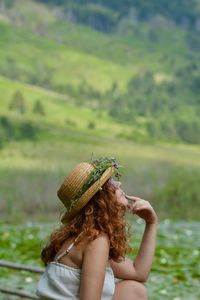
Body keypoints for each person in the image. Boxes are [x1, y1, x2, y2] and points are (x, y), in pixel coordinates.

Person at [36, 157, 157, 300]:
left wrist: (151, 223)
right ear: (100, 198)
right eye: (111, 182)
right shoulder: (95, 241)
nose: (118, 183)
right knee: (136, 291)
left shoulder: (86, 236)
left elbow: (138, 273)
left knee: (134, 290)